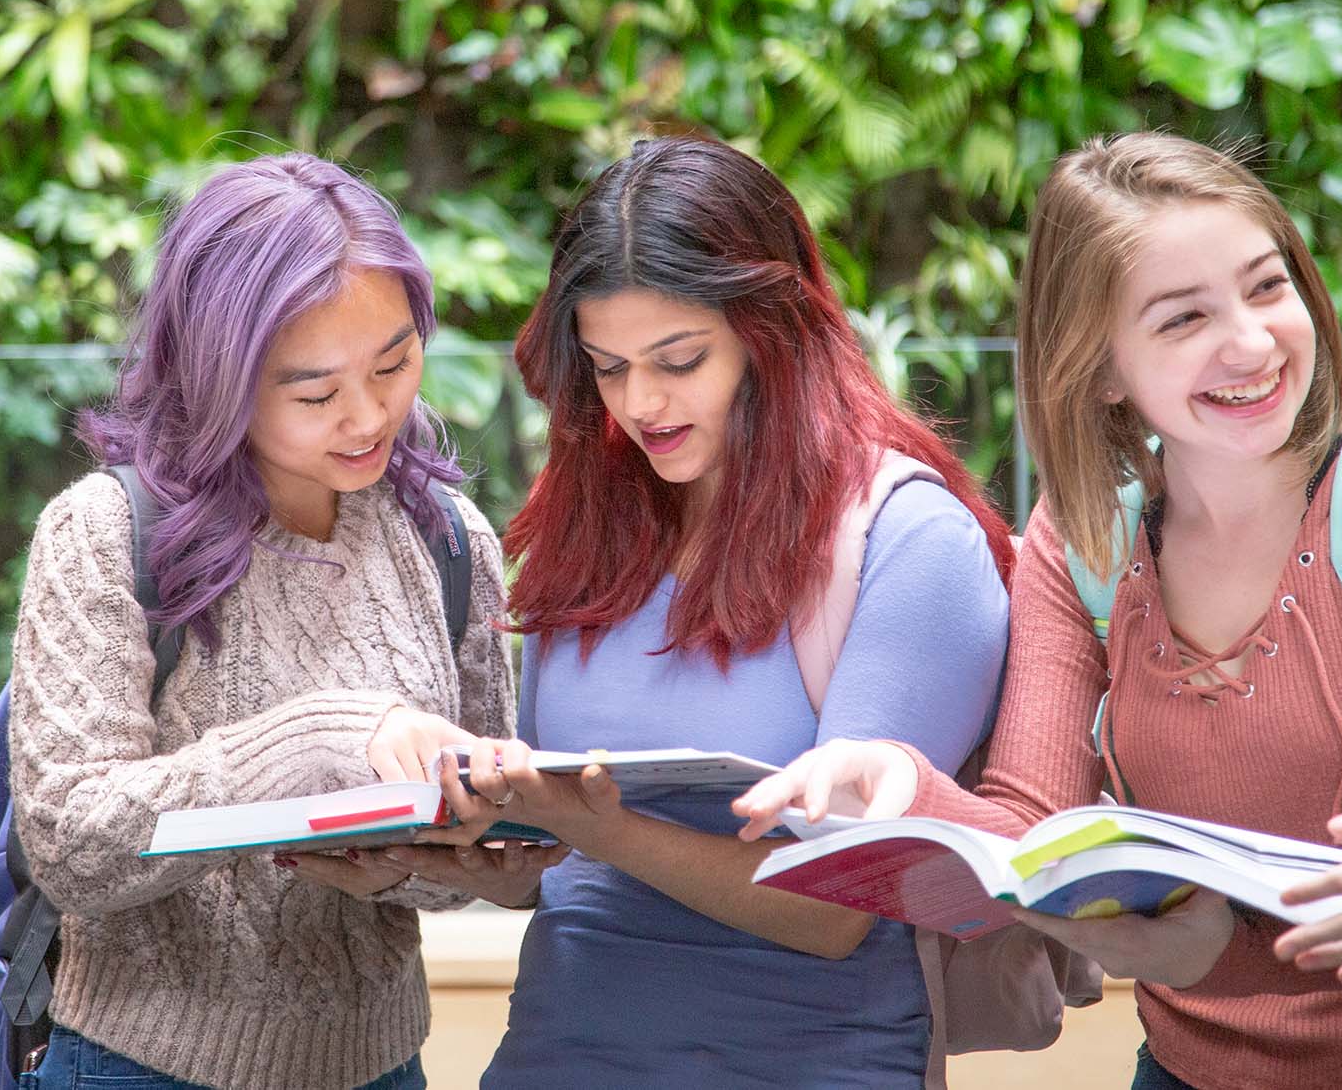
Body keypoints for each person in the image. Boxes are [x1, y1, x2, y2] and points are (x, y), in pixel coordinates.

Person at [735, 132, 1342, 1088]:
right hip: (1181, 1068)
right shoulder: (1085, 536)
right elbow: (1030, 835)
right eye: (1183, 320)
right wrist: (889, 776)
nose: (1256, 342)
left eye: (1268, 287)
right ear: (1102, 370)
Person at [399, 135, 1014, 1088]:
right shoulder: (598, 519)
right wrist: (493, 853)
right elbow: (560, 852)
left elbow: (835, 910)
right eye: (606, 367)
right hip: (561, 1054)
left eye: (679, 359)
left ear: (772, 331)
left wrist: (601, 832)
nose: (640, 403)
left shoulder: (908, 539)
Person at [7, 152, 532, 1090]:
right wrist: (320, 740)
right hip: (140, 1067)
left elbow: (483, 852)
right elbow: (70, 843)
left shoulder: (452, 543)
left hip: (380, 1066)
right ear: (219, 372)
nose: (368, 416)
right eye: (315, 392)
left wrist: (405, 863)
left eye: (395, 361)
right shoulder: (105, 531)